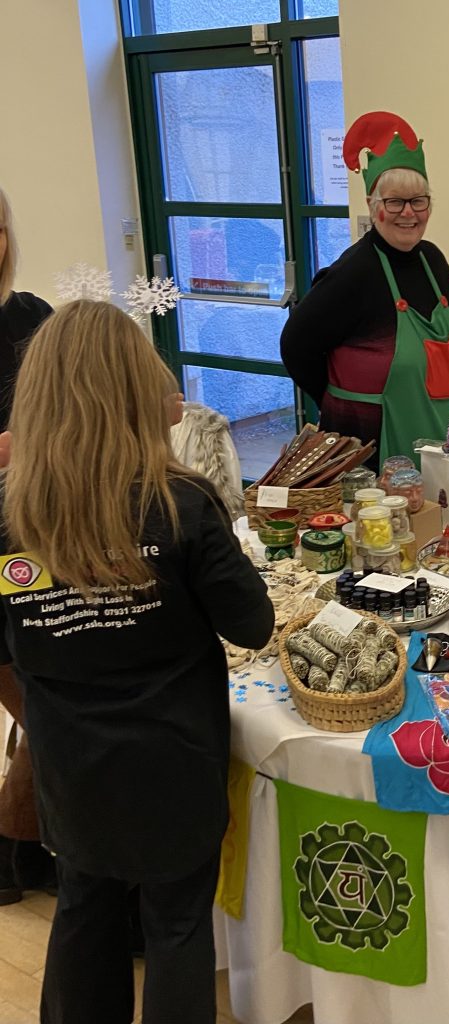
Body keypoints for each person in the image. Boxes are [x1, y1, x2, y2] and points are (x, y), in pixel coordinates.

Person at [0, 299, 274, 1024]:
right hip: (174, 758)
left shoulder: (11, 513)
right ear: (136, 389)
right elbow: (253, 624)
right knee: (177, 924)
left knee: (84, 907)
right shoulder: (179, 502)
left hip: (70, 759)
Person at [280, 111, 449, 471]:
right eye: (394, 202)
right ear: (374, 207)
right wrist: (344, 402)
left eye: (419, 200)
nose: (409, 213)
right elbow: (296, 345)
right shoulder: (352, 273)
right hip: (375, 460)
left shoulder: (433, 261)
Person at [0, 186, 54, 904]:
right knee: (43, 701)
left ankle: (28, 847)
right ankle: (17, 848)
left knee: (49, 686)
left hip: (37, 537)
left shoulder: (31, 317)